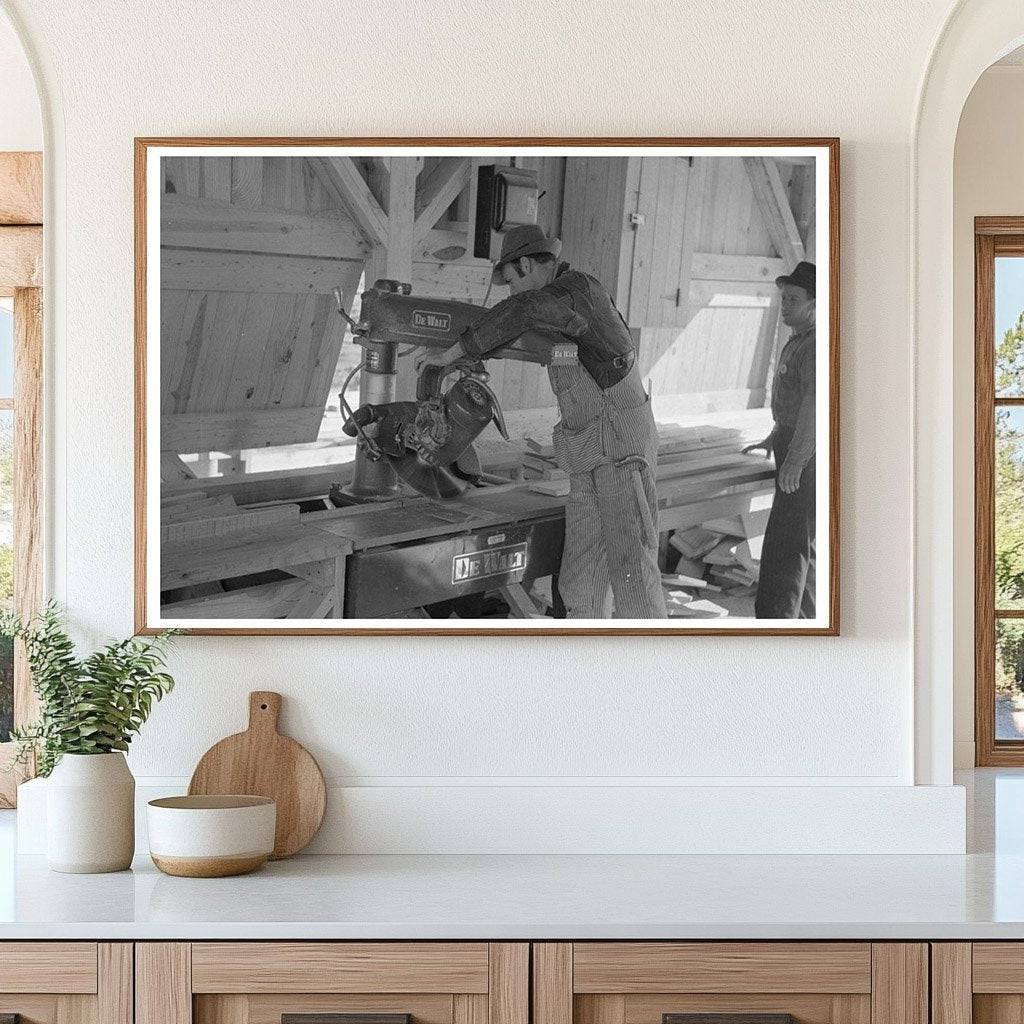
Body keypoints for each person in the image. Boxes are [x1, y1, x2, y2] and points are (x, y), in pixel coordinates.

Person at [418, 224, 667, 619]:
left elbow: (523, 309)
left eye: (514, 279)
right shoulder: (559, 311)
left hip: (621, 452)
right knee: (579, 581)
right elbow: (539, 336)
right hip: (589, 454)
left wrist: (452, 353)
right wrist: (468, 350)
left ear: (531, 263)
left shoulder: (577, 291)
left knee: (633, 574)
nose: (513, 291)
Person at [745, 260, 817, 619]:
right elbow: (792, 405)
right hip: (792, 442)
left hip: (805, 452)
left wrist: (796, 460)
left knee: (786, 544)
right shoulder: (799, 340)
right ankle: (805, 619)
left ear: (814, 304)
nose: (785, 305)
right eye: (783, 298)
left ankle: (777, 624)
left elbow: (815, 406)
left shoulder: (815, 344)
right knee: (800, 539)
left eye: (793, 299)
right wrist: (773, 438)